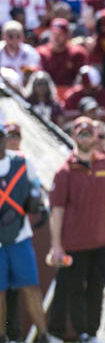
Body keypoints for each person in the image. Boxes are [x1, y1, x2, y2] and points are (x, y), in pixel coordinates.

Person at [48, 117, 105, 343]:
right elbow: (57, 211)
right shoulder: (64, 171)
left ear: (95, 136)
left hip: (104, 240)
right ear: (74, 136)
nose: (85, 138)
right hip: (75, 243)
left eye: (89, 134)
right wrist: (56, 245)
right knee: (76, 291)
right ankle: (84, 333)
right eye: (81, 134)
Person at [0, 123, 49, 343]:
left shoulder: (22, 161)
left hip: (20, 235)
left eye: (3, 136)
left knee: (31, 287)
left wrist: (37, 202)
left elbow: (36, 187)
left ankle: (43, 335)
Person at [36, 18, 89, 86]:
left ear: (68, 35)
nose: (56, 37)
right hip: (47, 94)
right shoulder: (40, 53)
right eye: (54, 34)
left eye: (60, 34)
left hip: (71, 93)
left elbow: (82, 79)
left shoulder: (78, 53)